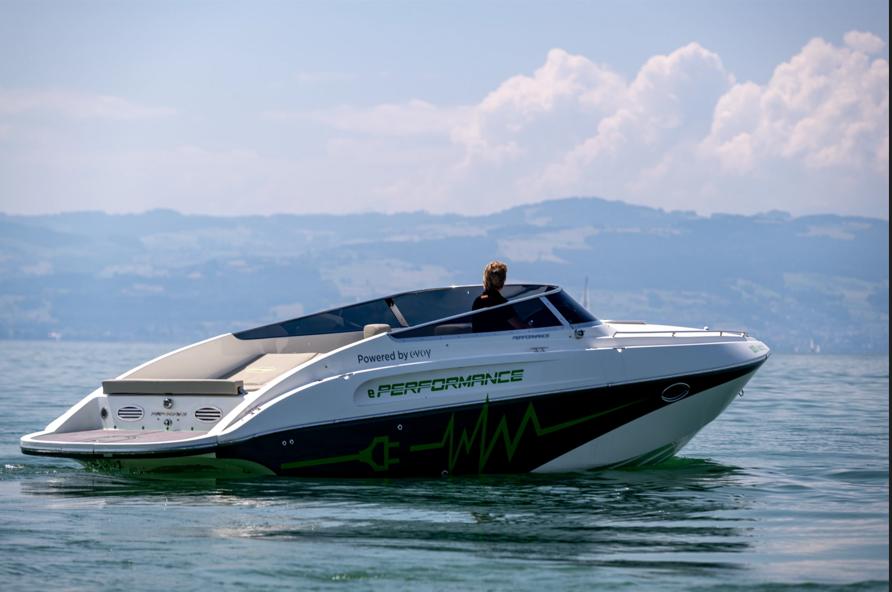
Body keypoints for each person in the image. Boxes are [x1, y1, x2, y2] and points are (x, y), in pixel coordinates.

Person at [471, 261, 526, 332]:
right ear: (502, 280)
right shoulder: (500, 302)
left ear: (486, 279)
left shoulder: (478, 301)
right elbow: (521, 327)